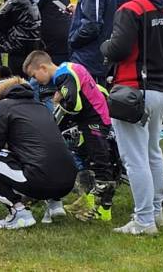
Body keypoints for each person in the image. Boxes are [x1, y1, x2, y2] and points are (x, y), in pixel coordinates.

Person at [101, 0, 163, 236]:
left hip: (133, 90)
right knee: (152, 152)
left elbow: (119, 49)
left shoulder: (130, 9)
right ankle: (156, 212)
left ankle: (144, 220)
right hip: (161, 89)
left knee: (135, 158)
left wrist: (105, 46)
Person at [0, 77, 77, 230]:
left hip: (41, 180)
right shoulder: (42, 107)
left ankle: (18, 211)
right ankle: (55, 203)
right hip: (68, 180)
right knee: (41, 154)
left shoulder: (4, 106)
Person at [24, 50, 114, 223]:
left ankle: (104, 209)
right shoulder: (67, 67)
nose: (35, 80)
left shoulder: (62, 76)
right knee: (86, 160)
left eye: (34, 75)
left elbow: (75, 105)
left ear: (43, 67)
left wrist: (59, 100)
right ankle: (87, 201)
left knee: (100, 163)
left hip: (95, 120)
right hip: (90, 118)